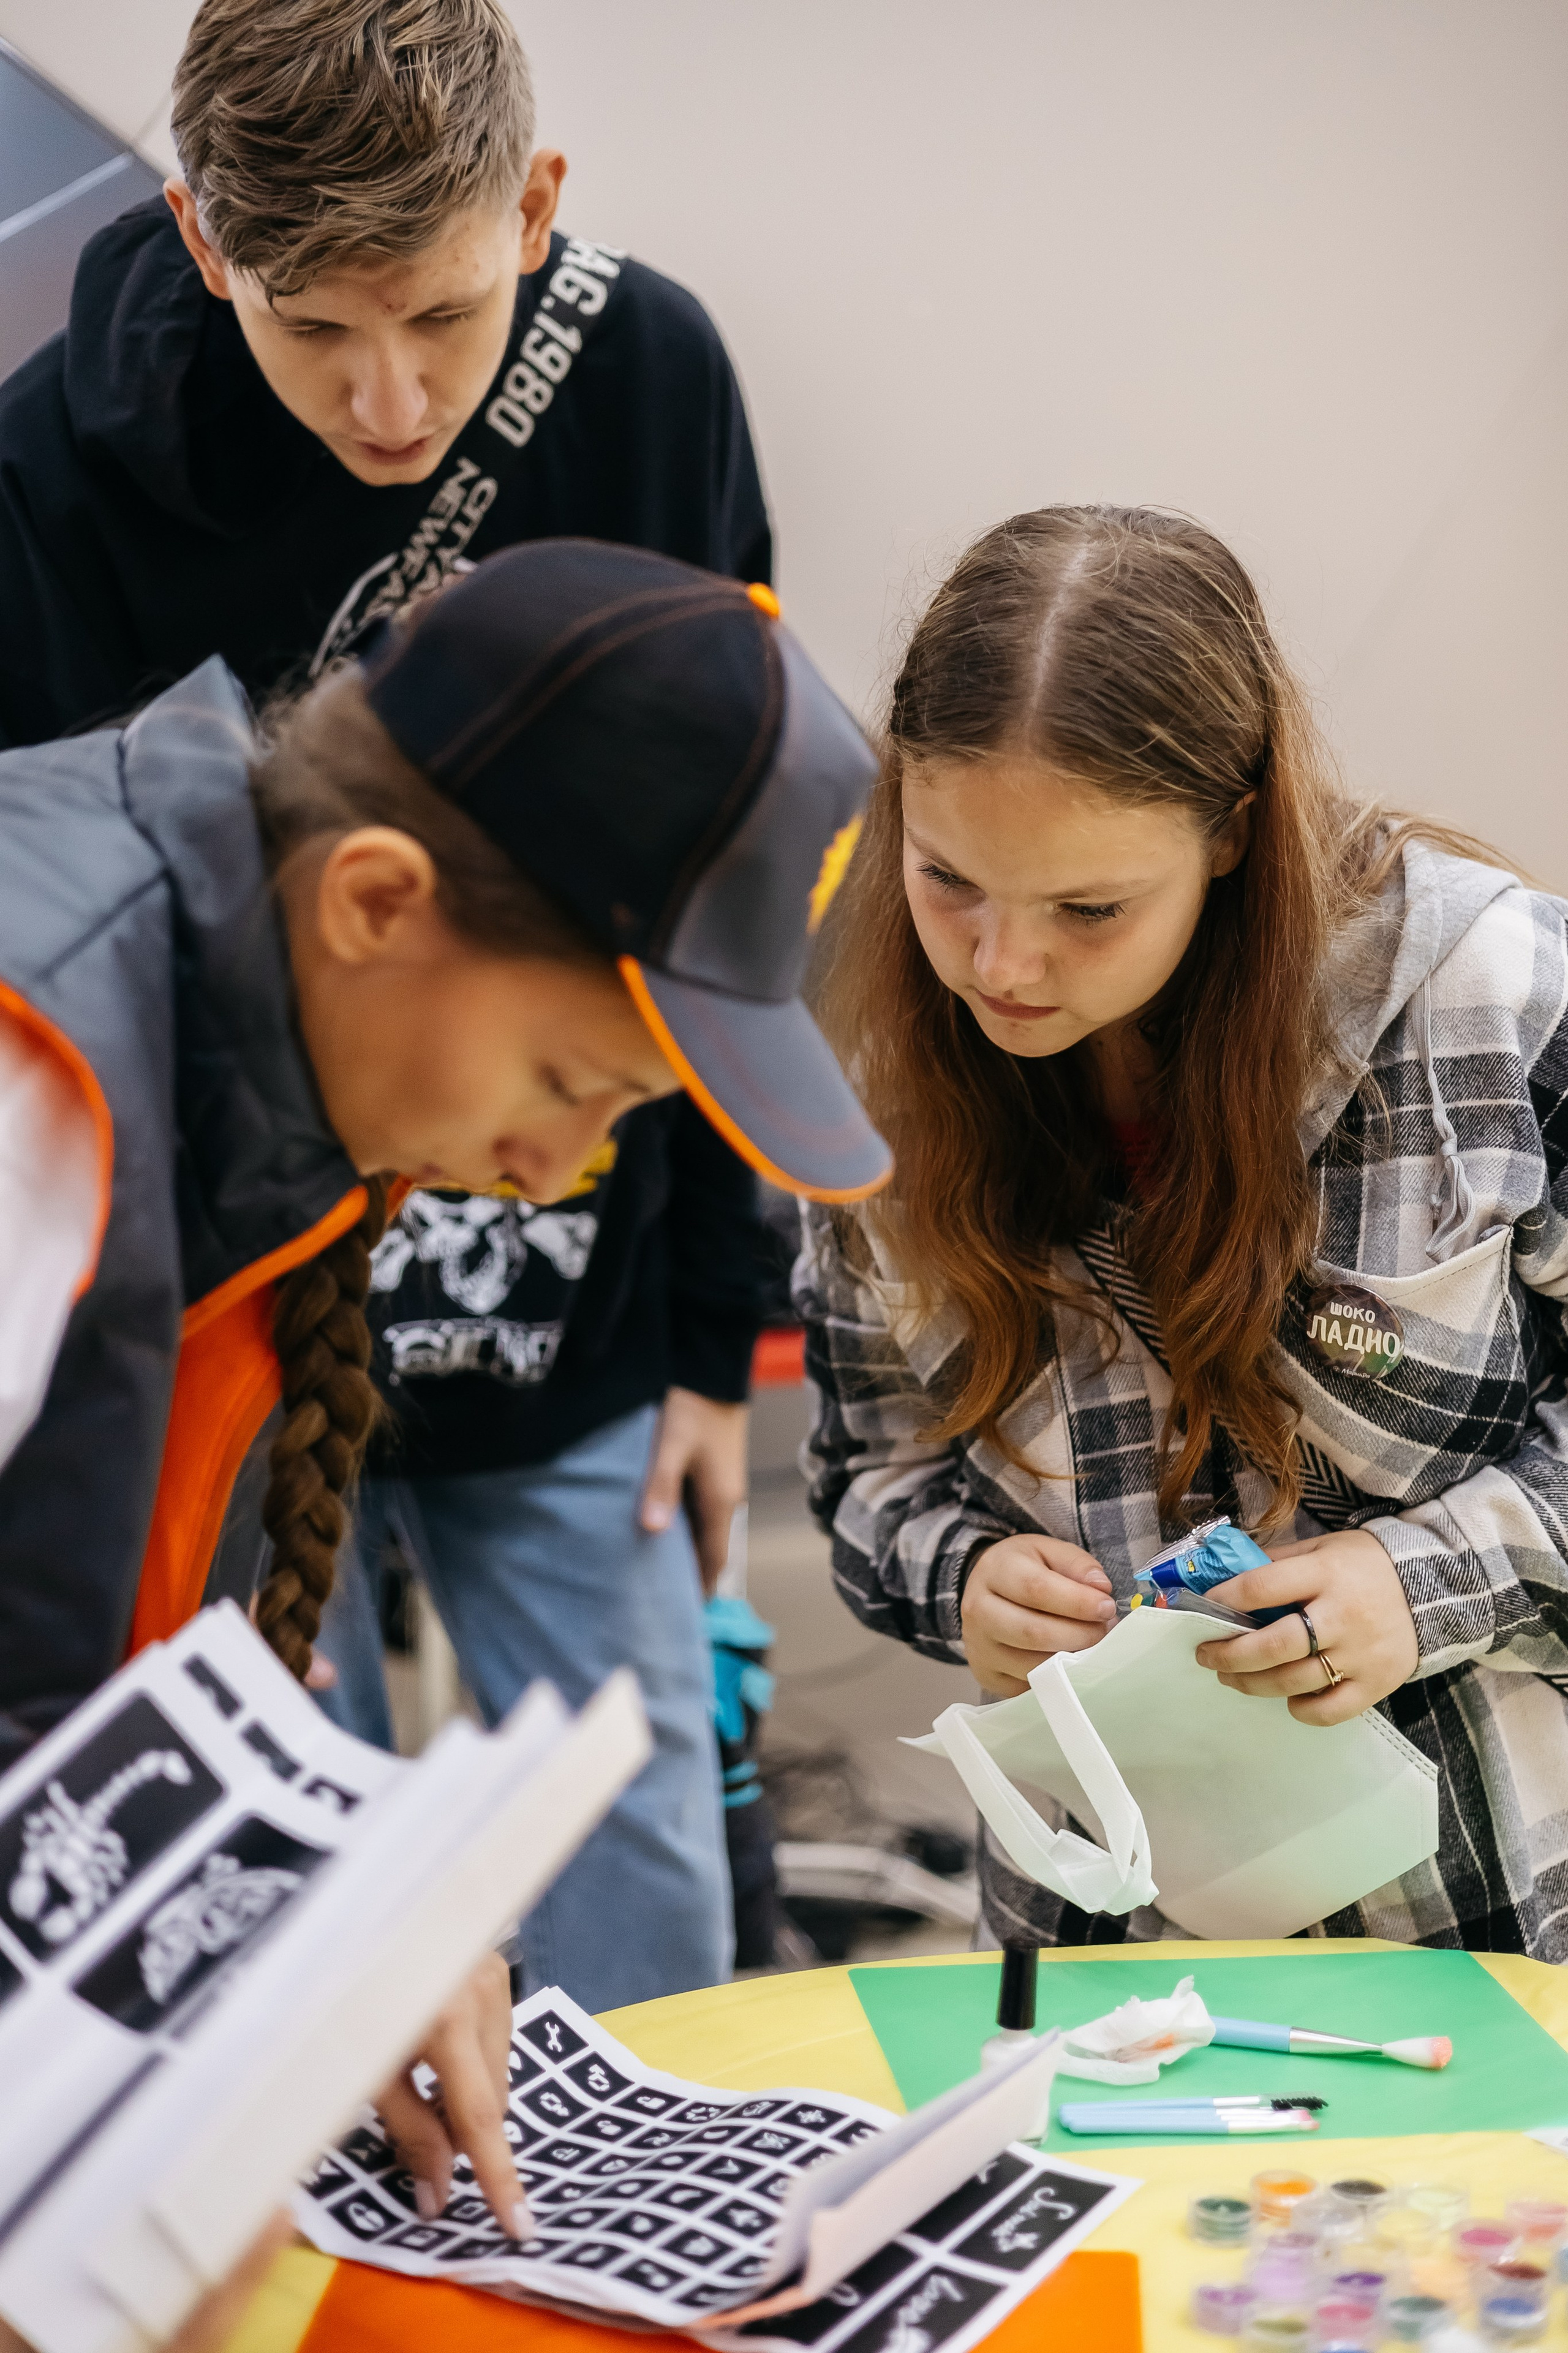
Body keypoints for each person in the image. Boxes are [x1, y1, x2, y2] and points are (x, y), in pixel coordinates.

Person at [0, 0, 778, 2007]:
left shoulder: (645, 372)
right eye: (313, 329)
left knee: (628, 1852)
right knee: (241, 1862)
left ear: (535, 205)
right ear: (199, 239)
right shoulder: (41, 477)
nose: (388, 399)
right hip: (207, 1295)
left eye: (442, 315)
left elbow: (720, 869)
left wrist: (708, 1337)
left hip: (570, 1330)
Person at [0, 538, 888, 2217]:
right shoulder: (32, 1070)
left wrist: (315, 1897)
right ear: (378, 902)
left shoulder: (255, 1079)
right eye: (570, 1078)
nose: (560, 1170)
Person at [797, 500, 1568, 1960]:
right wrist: (964, 1583)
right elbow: (860, 1478)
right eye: (945, 879)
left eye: (1088, 906)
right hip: (1104, 1956)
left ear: (1228, 831)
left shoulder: (1495, 1002)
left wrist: (1423, 1581)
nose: (1001, 964)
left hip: (1492, 1936)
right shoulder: (882, 1092)